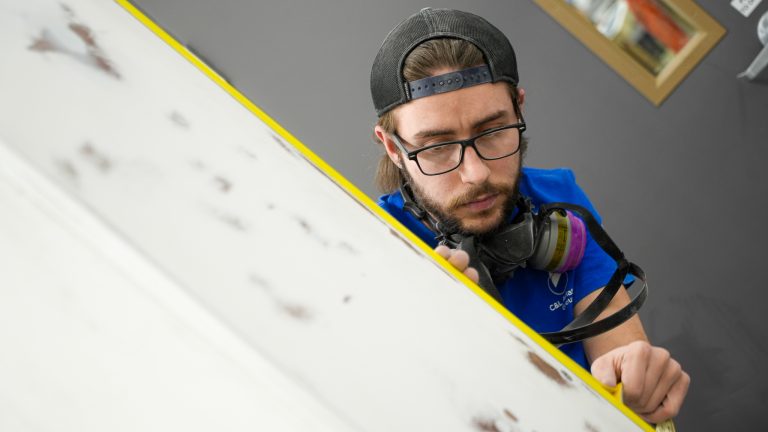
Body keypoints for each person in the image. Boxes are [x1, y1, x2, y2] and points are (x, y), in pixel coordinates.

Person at [369, 7, 689, 424]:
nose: (476, 173)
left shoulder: (559, 198)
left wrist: (642, 399)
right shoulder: (376, 245)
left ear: (519, 109)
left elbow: (623, 365)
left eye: (494, 130)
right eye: (435, 147)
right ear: (393, 148)